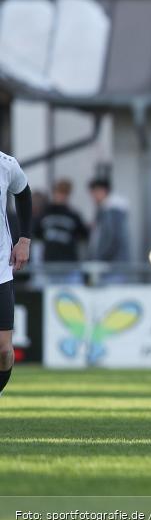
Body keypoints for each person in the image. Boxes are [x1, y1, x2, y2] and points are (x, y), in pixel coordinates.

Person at [0, 152, 32, 397]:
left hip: (0, 270)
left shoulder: (6, 164)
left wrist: (24, 240)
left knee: (3, 351)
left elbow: (23, 193)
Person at [34, 179, 88, 282]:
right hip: (49, 264)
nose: (61, 196)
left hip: (69, 264)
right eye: (59, 192)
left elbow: (83, 234)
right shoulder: (44, 213)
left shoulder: (73, 215)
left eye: (64, 193)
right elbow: (36, 234)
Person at [86, 178, 130, 264]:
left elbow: (112, 238)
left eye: (94, 192)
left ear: (103, 191)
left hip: (111, 264)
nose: (93, 197)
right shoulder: (104, 210)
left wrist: (99, 258)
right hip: (109, 263)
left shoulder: (112, 210)